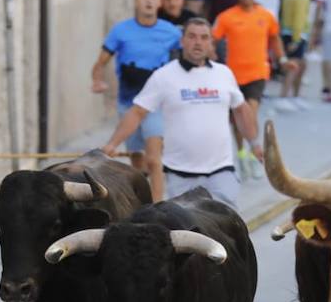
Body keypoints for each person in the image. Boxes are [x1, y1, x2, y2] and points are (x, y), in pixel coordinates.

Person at [103, 18, 258, 205]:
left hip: (222, 172)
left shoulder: (224, 74)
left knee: (225, 230)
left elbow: (241, 110)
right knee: (186, 232)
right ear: (182, 40)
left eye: (204, 37)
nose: (198, 42)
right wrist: (112, 144)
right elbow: (137, 112)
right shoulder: (164, 76)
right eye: (192, 36)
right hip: (180, 176)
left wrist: (255, 144)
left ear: (211, 43)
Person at [90, 0, 182, 180]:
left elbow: (186, 64)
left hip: (157, 105)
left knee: (154, 159)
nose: (148, 1)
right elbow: (100, 62)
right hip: (128, 103)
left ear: (159, 1)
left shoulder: (172, 32)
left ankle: (158, 206)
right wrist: (97, 80)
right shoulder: (120, 31)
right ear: (136, 1)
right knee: (138, 162)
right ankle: (143, 203)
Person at [213, 0, 284, 177]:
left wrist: (283, 60)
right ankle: (242, 153)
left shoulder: (266, 16)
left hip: (257, 73)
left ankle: (254, 153)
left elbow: (275, 39)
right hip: (233, 76)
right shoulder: (227, 17)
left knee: (250, 112)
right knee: (237, 118)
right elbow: (212, 39)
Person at [278, 0, 313, 109]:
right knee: (293, 67)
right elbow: (299, 17)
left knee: (301, 66)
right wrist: (297, 39)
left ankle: (295, 96)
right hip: (295, 34)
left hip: (290, 32)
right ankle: (284, 96)